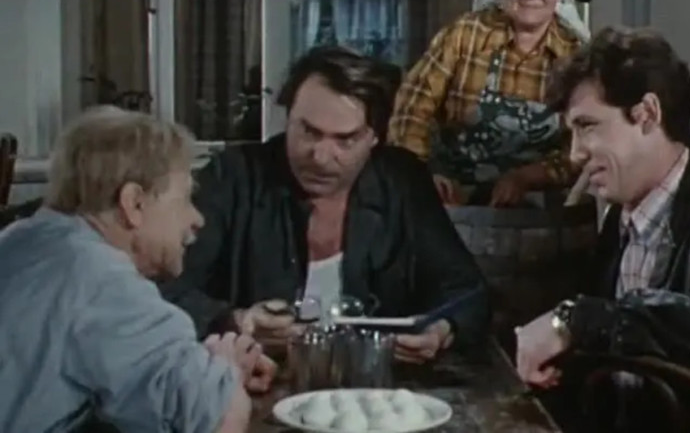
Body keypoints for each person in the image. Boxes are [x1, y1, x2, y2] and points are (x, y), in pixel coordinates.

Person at [513, 27, 690, 431]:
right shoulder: (620, 217)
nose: (575, 154)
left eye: (587, 126)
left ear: (648, 114)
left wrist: (578, 320)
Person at [163, 46, 490, 364]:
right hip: (255, 381)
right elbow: (162, 290)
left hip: (378, 389)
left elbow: (467, 291)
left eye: (345, 140)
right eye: (308, 131)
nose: (320, 157)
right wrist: (235, 320)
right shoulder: (232, 176)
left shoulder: (402, 181)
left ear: (374, 137)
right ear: (288, 117)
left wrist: (442, 330)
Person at [0, 106, 277, 432]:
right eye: (186, 198)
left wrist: (198, 368)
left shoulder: (18, 239)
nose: (197, 219)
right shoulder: (101, 280)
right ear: (134, 203)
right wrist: (224, 375)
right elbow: (218, 421)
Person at [388, 0, 583, 206]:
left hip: (539, 211)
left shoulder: (575, 56)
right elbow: (410, 110)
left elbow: (582, 147)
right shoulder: (465, 34)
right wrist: (421, 175)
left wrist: (527, 177)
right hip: (450, 202)